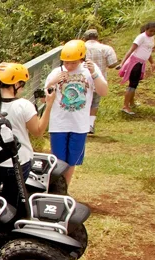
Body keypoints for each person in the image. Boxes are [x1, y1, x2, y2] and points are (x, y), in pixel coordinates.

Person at [0, 63, 52, 216]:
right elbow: (38, 131)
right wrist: (49, 106)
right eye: (22, 84)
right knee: (12, 203)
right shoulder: (24, 106)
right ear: (16, 84)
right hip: (16, 163)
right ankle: (8, 232)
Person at [45, 40, 109, 186]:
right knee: (58, 160)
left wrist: (94, 74)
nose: (69, 66)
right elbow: (44, 97)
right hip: (59, 124)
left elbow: (103, 91)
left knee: (71, 160)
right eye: (66, 62)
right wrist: (52, 82)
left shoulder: (89, 72)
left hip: (79, 125)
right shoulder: (56, 72)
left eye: (73, 63)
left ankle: (65, 188)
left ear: (82, 58)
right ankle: (55, 188)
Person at [119, 22, 155, 115]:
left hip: (141, 63)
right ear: (146, 29)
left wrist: (152, 62)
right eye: (150, 31)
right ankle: (125, 106)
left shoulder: (151, 38)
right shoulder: (141, 37)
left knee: (134, 84)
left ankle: (131, 102)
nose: (152, 33)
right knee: (132, 85)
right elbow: (131, 50)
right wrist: (122, 63)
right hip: (135, 63)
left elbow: (148, 51)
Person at [83, 29, 119, 134]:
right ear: (97, 37)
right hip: (98, 80)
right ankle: (90, 125)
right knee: (94, 103)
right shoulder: (106, 48)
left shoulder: (81, 47)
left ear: (85, 38)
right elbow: (112, 64)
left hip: (83, 80)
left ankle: (82, 124)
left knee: (83, 102)